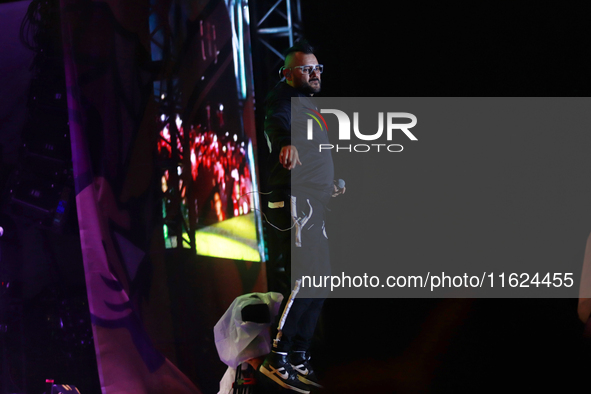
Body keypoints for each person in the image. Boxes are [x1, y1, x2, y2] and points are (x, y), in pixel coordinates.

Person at [259, 39, 344, 393]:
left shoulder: (309, 105)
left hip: (314, 200)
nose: (314, 73)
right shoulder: (283, 98)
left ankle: (297, 356)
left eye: (317, 68)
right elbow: (276, 124)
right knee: (305, 278)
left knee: (321, 282)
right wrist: (284, 144)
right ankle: (276, 358)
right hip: (295, 200)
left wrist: (332, 181)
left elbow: (316, 151)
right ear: (287, 74)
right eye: (306, 69)